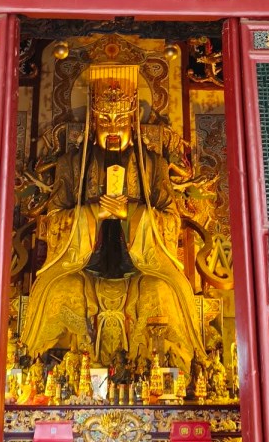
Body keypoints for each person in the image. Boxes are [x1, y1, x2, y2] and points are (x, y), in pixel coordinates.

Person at [20, 64, 204, 377]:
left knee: (163, 291)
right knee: (57, 291)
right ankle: (32, 371)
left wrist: (131, 214)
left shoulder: (153, 165)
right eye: (105, 120)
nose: (113, 128)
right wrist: (96, 213)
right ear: (93, 123)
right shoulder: (71, 164)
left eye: (121, 120)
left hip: (142, 268)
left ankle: (190, 372)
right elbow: (54, 221)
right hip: (82, 267)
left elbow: (171, 221)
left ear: (133, 122)